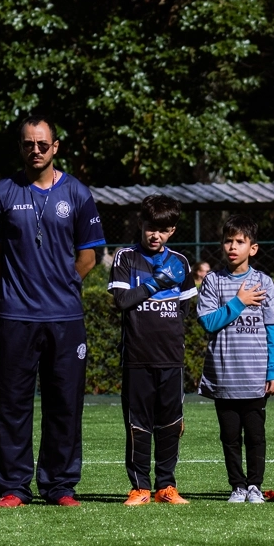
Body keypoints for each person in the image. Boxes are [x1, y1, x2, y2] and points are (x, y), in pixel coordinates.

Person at [0, 115, 105, 507]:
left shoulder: (78, 193)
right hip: (15, 315)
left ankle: (60, 486)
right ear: (21, 147)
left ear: (55, 147)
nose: (36, 150)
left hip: (65, 317)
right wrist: (22, 285)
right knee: (10, 403)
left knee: (64, 403)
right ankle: (14, 487)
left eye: (42, 144)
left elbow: (89, 256)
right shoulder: (0, 192)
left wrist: (61, 285)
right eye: (28, 144)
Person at [108, 194, 197, 505]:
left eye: (163, 229)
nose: (155, 235)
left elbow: (186, 307)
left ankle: (166, 487)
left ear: (171, 230)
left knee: (171, 424)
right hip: (137, 357)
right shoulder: (125, 258)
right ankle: (140, 488)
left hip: (171, 357)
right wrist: (156, 283)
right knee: (138, 424)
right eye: (150, 228)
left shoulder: (182, 262)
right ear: (141, 224)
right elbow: (121, 301)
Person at [197, 215, 274, 503]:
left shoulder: (264, 283)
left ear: (253, 248)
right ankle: (237, 486)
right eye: (228, 241)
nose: (232, 246)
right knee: (230, 436)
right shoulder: (212, 281)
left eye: (240, 241)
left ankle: (255, 486)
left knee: (256, 436)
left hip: (255, 376)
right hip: (225, 377)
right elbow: (209, 322)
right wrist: (239, 301)